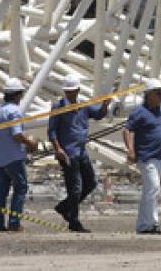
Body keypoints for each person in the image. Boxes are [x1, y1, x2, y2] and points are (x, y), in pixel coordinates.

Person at [48, 73, 112, 232]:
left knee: (90, 183)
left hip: (81, 152)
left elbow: (98, 115)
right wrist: (58, 149)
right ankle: (74, 221)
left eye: (72, 91)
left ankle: (64, 207)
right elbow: (52, 131)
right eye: (67, 91)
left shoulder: (83, 106)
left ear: (77, 91)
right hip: (68, 154)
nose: (69, 93)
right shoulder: (59, 107)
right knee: (75, 188)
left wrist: (105, 105)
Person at [0, 77, 38, 233]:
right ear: (18, 95)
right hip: (13, 157)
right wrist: (30, 143)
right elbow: (17, 134)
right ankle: (14, 222)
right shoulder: (14, 111)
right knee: (21, 188)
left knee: (1, 191)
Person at [123, 78, 161, 234]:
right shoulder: (139, 111)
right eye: (158, 93)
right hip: (146, 156)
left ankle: (148, 224)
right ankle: (147, 224)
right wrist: (131, 150)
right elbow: (127, 130)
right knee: (153, 188)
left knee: (152, 190)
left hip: (159, 157)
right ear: (149, 94)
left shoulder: (160, 111)